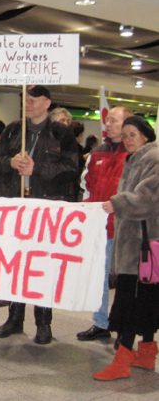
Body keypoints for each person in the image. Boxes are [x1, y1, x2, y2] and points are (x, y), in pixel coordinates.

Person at [0, 85, 78, 344]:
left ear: (46, 102)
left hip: (46, 207)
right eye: (25, 98)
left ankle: (43, 321)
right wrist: (10, 163)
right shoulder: (14, 129)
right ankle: (14, 317)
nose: (27, 102)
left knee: (42, 266)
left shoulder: (62, 133)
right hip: (17, 207)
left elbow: (71, 167)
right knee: (16, 264)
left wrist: (38, 169)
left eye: (33, 98)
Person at [93, 116, 159, 381]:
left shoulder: (153, 159)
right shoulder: (137, 158)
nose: (129, 139)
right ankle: (145, 353)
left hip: (141, 244)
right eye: (126, 134)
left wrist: (118, 203)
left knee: (130, 302)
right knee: (146, 299)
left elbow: (149, 199)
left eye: (133, 134)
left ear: (145, 135)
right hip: (140, 243)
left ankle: (122, 360)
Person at [76, 107, 133, 343]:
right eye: (107, 120)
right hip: (100, 227)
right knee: (99, 276)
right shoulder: (97, 154)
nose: (108, 124)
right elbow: (86, 186)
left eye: (114, 121)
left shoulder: (134, 155)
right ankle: (101, 322)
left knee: (127, 281)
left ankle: (124, 328)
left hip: (125, 228)